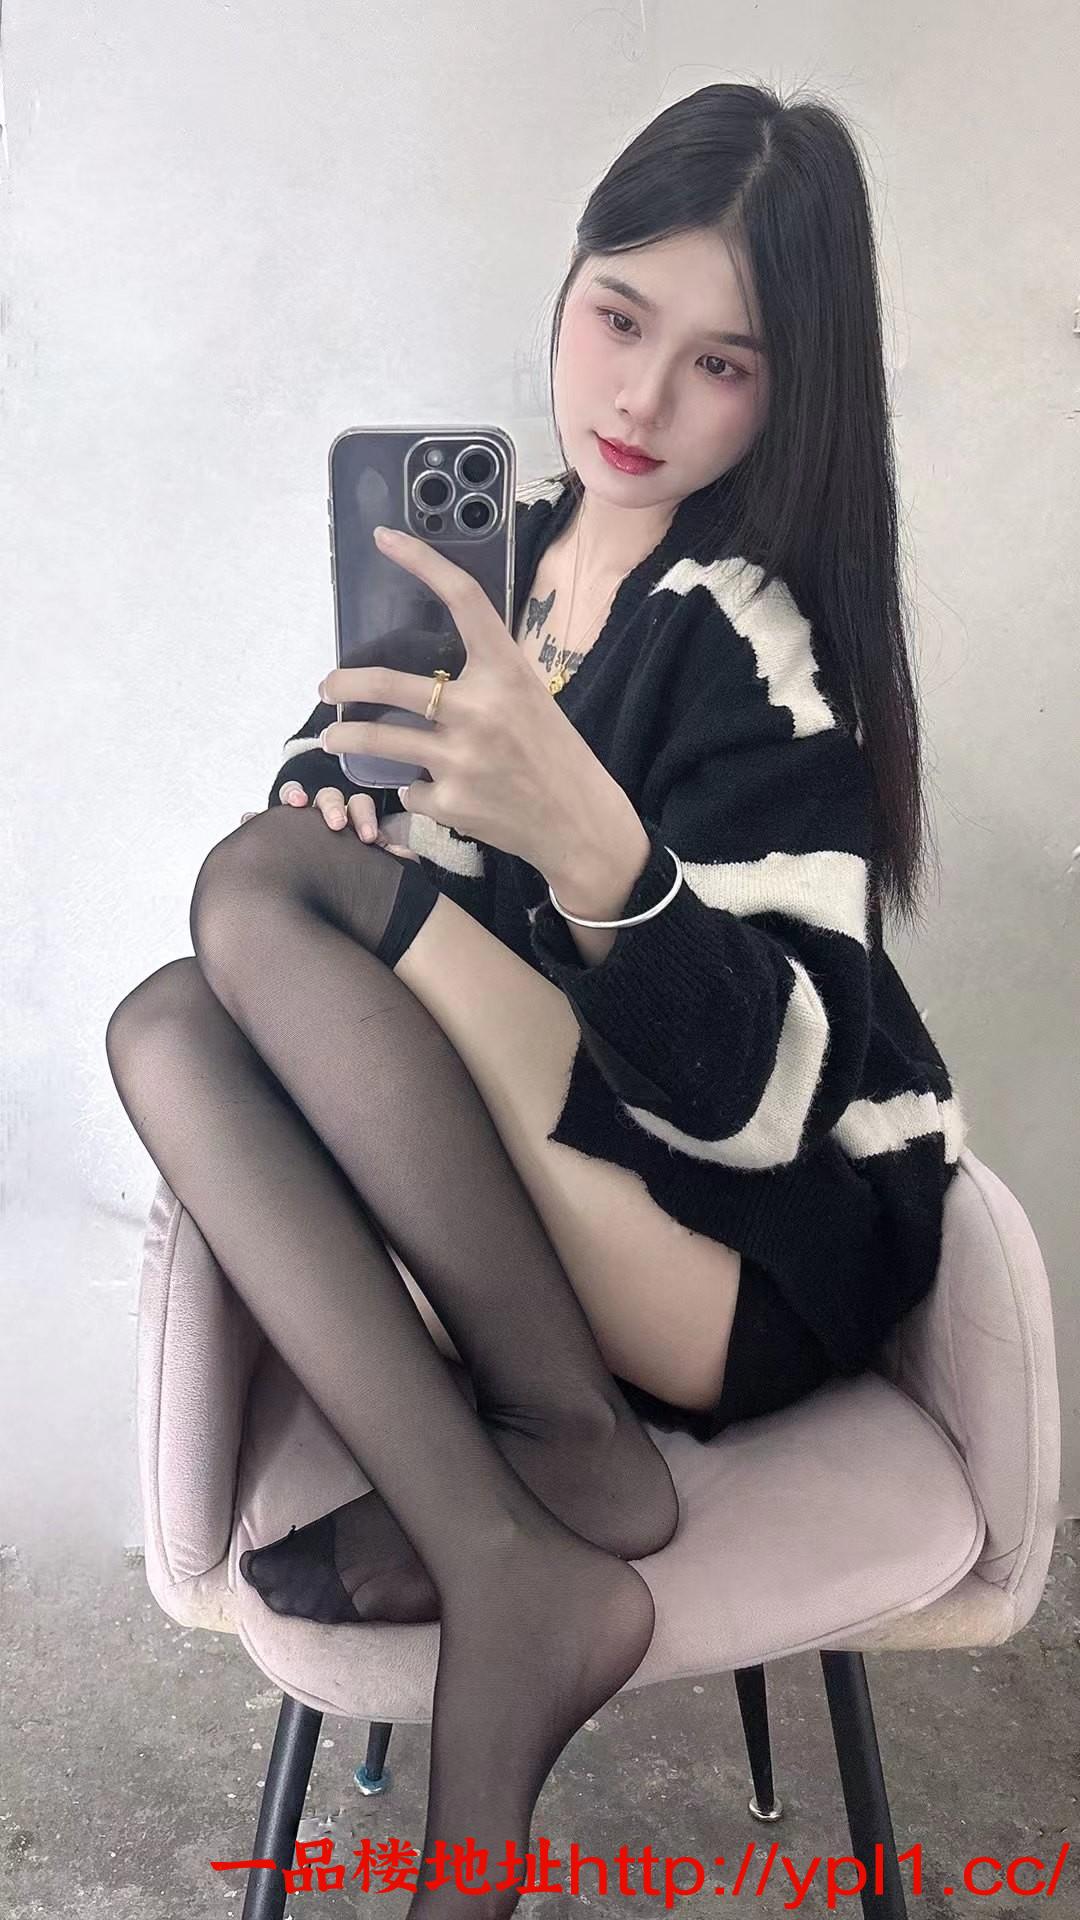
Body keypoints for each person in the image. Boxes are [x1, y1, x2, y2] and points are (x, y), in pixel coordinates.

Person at [105, 81, 965, 1920]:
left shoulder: (753, 642)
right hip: (553, 1204)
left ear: (789, 392)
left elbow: (769, 1105)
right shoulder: (479, 568)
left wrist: (604, 859)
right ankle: (509, 1531)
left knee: (256, 894)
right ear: (567, 282)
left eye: (722, 364)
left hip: (742, 1248)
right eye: (618, 316)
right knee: (172, 1015)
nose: (640, 399)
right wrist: (337, 801)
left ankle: (544, 1483)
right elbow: (346, 877)